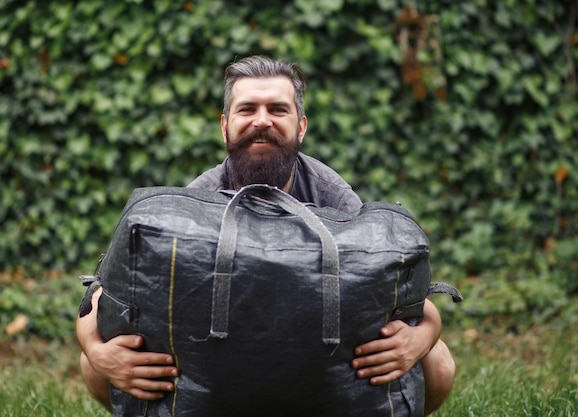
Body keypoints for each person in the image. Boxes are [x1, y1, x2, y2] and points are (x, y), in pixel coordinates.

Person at [76, 55, 455, 415]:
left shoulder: (333, 196)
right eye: (247, 109)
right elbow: (100, 295)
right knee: (94, 363)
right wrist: (96, 350)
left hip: (314, 367)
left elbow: (404, 297)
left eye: (277, 109)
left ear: (300, 127)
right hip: (221, 368)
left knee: (436, 360)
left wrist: (422, 337)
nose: (262, 121)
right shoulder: (197, 198)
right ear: (225, 126)